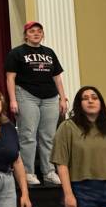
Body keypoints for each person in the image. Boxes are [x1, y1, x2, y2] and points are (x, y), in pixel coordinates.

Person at [5, 21, 68, 186]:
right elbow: (10, 78)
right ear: (26, 35)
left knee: (49, 136)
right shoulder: (16, 53)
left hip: (50, 97)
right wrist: (12, 100)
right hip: (26, 95)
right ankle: (28, 172)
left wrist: (62, 98)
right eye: (32, 31)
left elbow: (57, 78)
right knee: (28, 135)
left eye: (39, 31)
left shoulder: (49, 53)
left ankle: (49, 172)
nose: (36, 34)